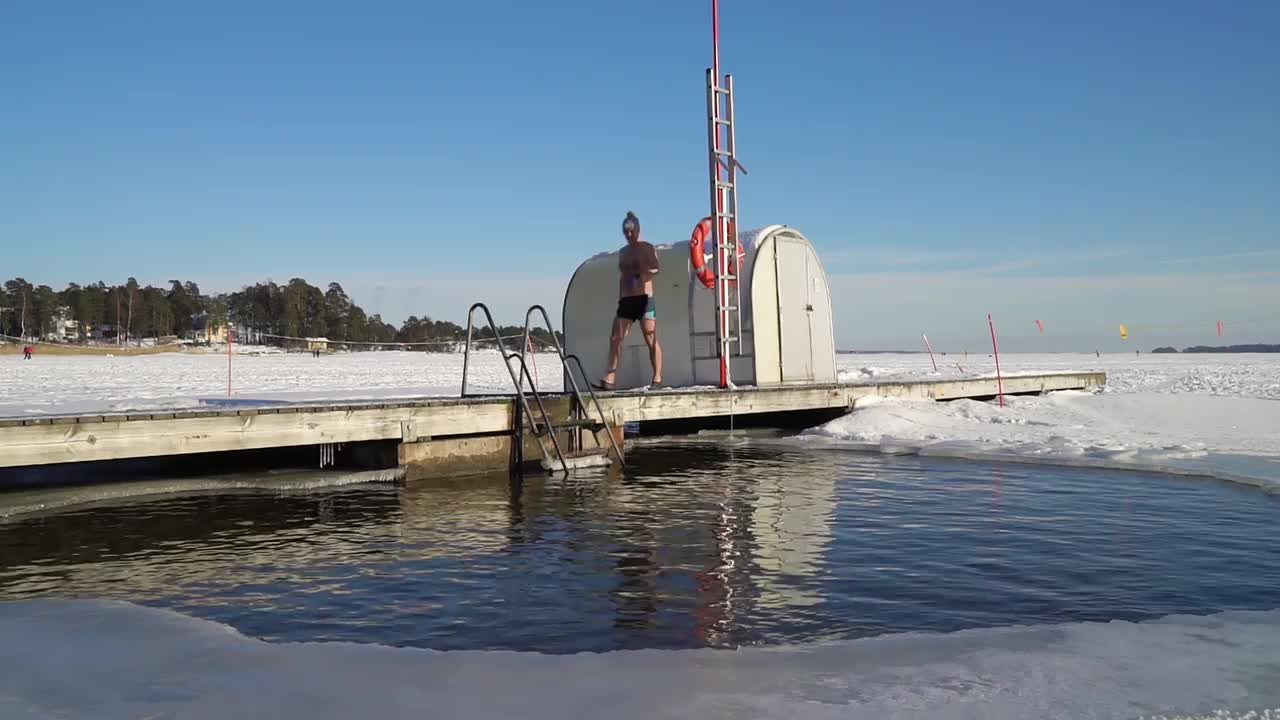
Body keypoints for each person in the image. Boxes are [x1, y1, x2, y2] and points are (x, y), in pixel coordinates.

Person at [595, 211, 663, 390]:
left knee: (650, 337)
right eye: (625, 231)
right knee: (616, 338)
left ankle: (657, 377)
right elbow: (622, 277)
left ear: (638, 229)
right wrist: (621, 296)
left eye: (631, 230)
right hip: (627, 300)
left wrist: (644, 273)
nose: (628, 234)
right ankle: (609, 379)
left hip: (644, 298)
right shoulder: (623, 252)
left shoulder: (647, 247)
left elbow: (657, 268)